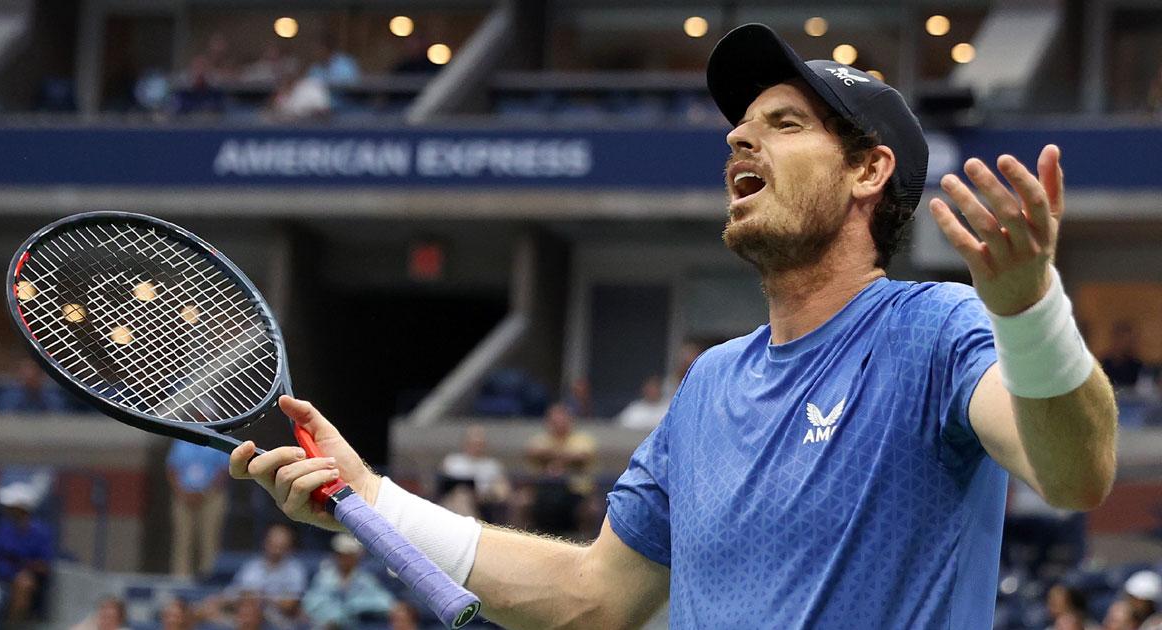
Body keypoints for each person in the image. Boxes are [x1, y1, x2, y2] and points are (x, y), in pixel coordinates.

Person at [231, 23, 1117, 628]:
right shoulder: (709, 386)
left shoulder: (931, 331)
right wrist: (373, 501)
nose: (738, 140)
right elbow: (593, 596)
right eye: (741, 126)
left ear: (867, 172)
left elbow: (1077, 473)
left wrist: (1029, 312)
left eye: (784, 124)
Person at [0, 483, 54, 622]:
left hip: (24, 577)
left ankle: (13, 625)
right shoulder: (4, 527)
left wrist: (21, 565)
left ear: (20, 509)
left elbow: (44, 565)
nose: (7, 509)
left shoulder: (41, 532)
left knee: (23, 583)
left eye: (11, 507)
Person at [523, 403, 596, 535]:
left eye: (562, 419)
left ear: (570, 421)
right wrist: (566, 457)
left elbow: (582, 456)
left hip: (575, 492)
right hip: (542, 491)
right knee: (521, 502)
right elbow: (533, 452)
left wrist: (552, 458)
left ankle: (585, 544)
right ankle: (521, 542)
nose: (559, 424)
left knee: (591, 509)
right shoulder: (540, 439)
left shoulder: (582, 439)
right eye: (555, 421)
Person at [301, 533, 394, 629]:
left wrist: (354, 606)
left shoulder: (365, 579)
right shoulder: (324, 577)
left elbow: (386, 603)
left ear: (356, 558)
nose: (345, 560)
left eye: (349, 556)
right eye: (341, 555)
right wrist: (334, 617)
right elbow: (310, 603)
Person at [167, 440, 231, 577]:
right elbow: (172, 469)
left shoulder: (218, 438)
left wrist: (205, 493)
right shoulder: (181, 441)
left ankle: (208, 576)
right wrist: (181, 492)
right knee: (183, 538)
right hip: (184, 497)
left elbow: (225, 469)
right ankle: (180, 578)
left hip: (211, 497)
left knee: (209, 538)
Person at [225, 523, 306, 626]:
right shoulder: (252, 566)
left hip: (279, 619)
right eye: (273, 544)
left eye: (281, 546)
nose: (276, 550)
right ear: (265, 543)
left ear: (289, 547)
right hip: (246, 613)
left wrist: (261, 598)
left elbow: (289, 605)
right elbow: (237, 594)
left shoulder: (295, 570)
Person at [439, 425, 510, 522]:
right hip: (452, 500)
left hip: (482, 500)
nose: (476, 447)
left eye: (479, 444)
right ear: (465, 443)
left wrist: (489, 495)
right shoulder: (452, 461)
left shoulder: (492, 465)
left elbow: (503, 491)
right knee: (461, 497)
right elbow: (441, 485)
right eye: (472, 443)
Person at [0, 359, 69, 414]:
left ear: (41, 377)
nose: (30, 382)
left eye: (34, 377)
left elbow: (60, 417)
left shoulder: (53, 398)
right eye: (27, 378)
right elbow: (3, 418)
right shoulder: (9, 398)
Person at [1101, 321, 1144, 389]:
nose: (1123, 344)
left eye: (1127, 340)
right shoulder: (1103, 365)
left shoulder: (1137, 367)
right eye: (1120, 338)